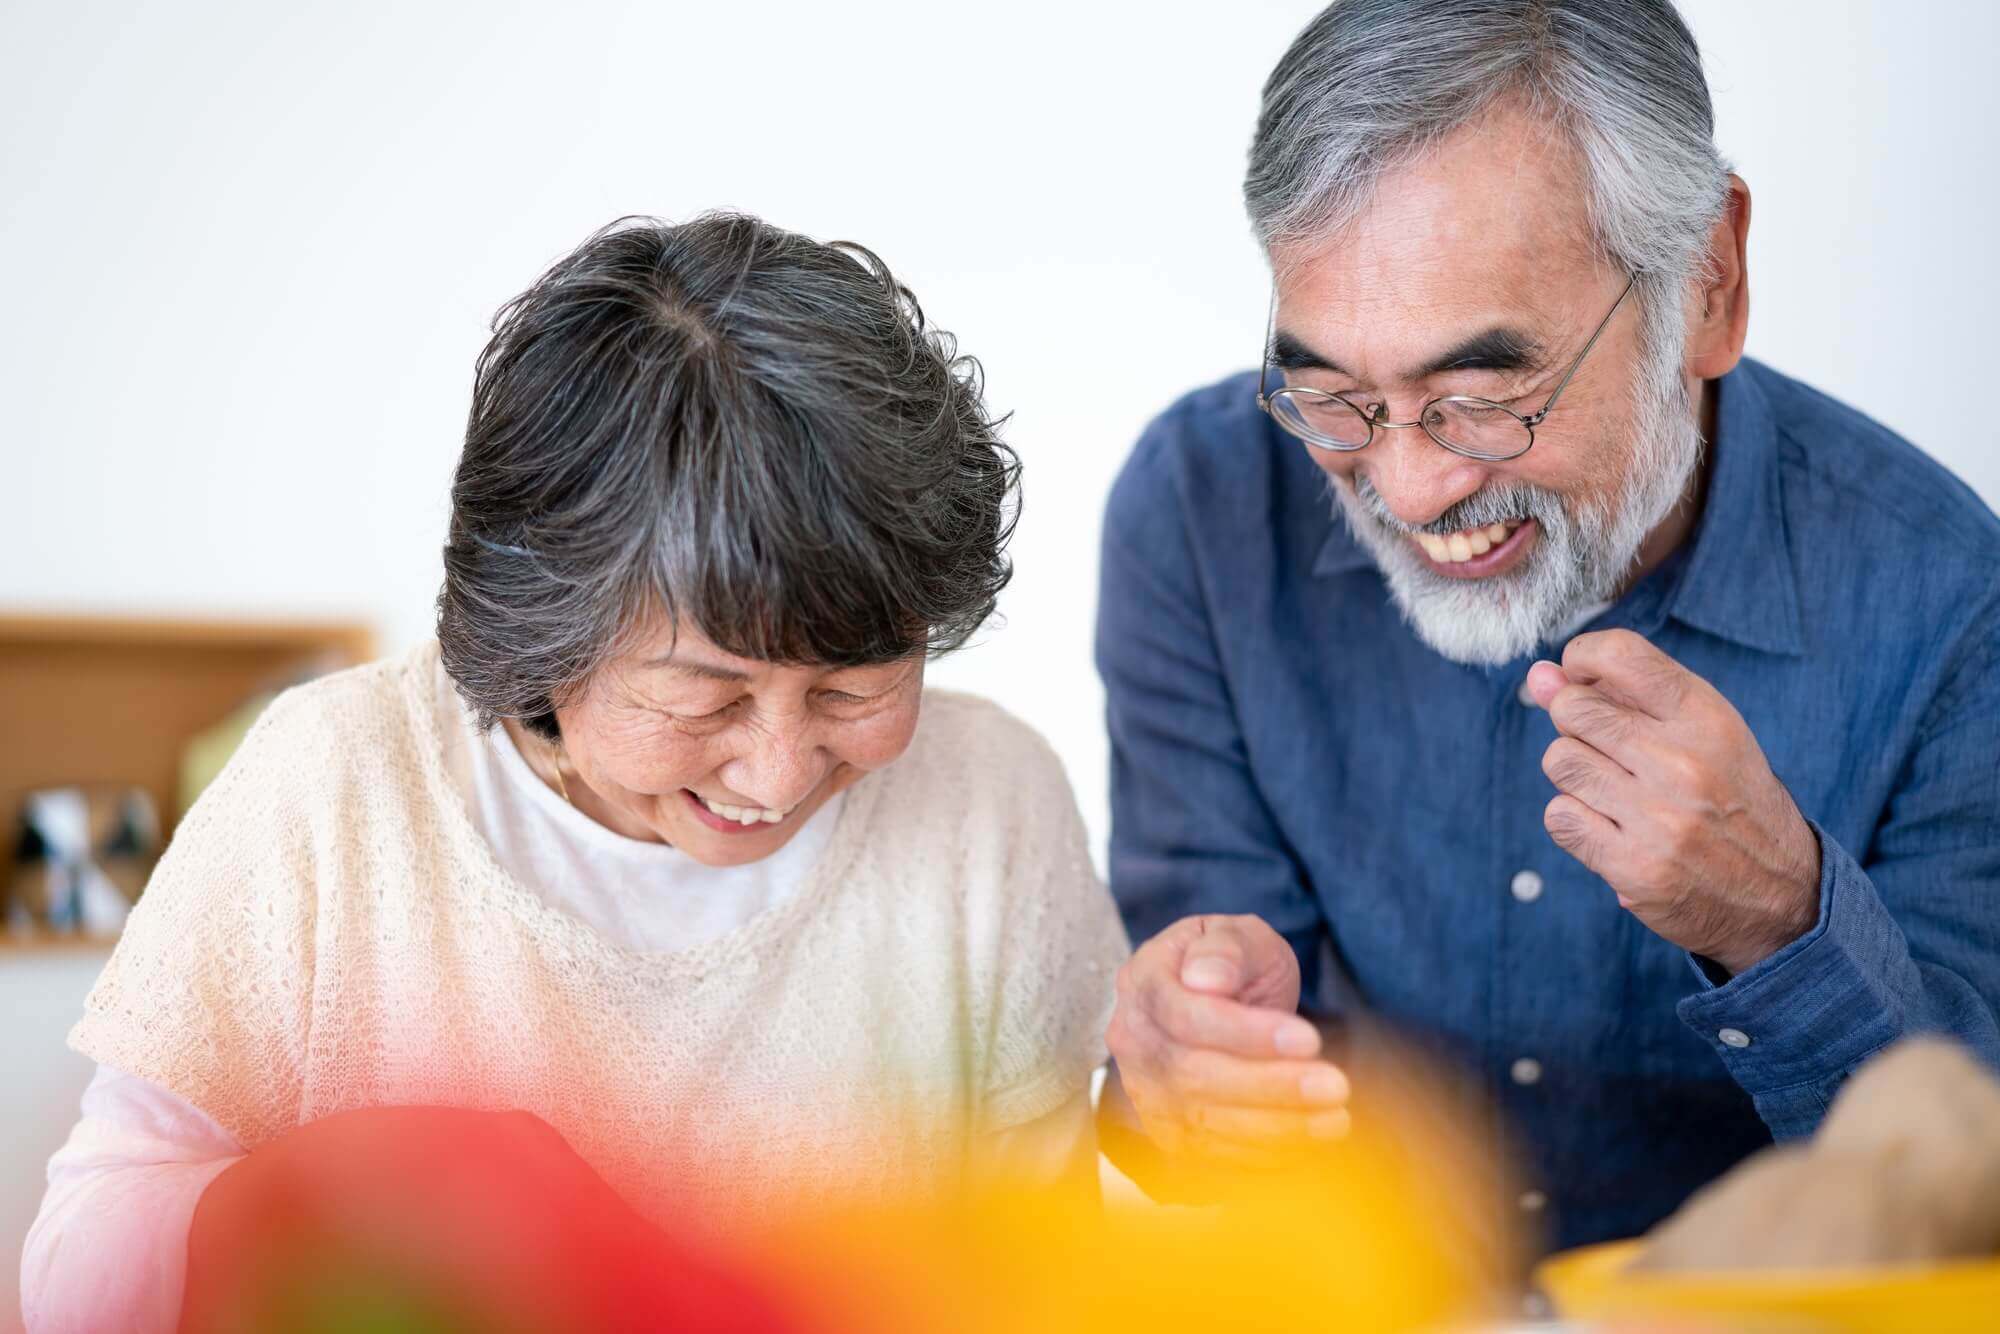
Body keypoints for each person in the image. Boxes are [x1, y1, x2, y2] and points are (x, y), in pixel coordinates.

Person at [23, 213, 1129, 1330]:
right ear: (543, 634)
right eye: (707, 692)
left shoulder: (987, 805)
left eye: (853, 685)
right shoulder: (338, 787)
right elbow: (73, 1273)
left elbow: (1044, 1278)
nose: (780, 764)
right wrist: (331, 1197)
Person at [1097, 0, 2000, 1252]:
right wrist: (1177, 1068)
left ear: (1707, 287)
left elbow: (1972, 1211)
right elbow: (1208, 1130)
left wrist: (1779, 923)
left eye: (1478, 399)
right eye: (1332, 396)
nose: (1408, 491)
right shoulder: (1199, 512)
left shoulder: (1949, 600)